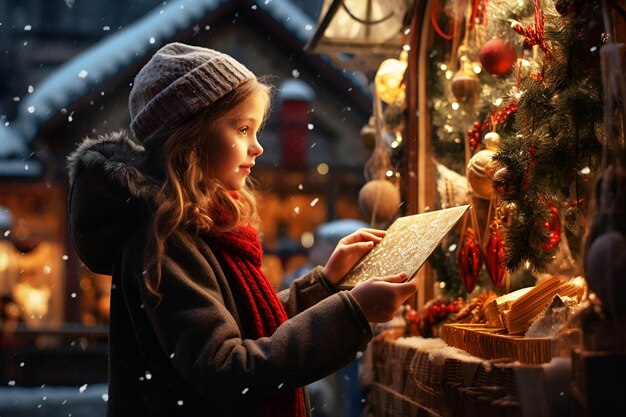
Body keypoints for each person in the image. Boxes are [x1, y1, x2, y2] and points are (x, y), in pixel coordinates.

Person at [67, 42, 418, 417]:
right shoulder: (167, 238)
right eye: (243, 129)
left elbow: (248, 327)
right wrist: (351, 312)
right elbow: (229, 368)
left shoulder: (198, 226)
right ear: (190, 137)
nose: (257, 148)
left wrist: (327, 285)